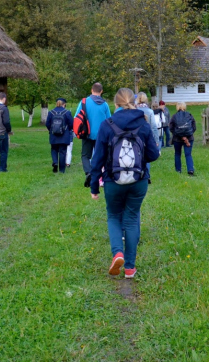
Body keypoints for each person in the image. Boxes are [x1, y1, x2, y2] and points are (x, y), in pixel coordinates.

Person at [89, 88, 160, 279]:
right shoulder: (143, 124)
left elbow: (97, 160)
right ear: (134, 103)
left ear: (116, 104)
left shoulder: (107, 124)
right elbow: (153, 155)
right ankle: (130, 268)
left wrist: (94, 187)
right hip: (138, 180)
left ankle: (117, 253)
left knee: (113, 216)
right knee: (132, 217)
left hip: (113, 180)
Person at [74, 82, 112, 187]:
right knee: (100, 156)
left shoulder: (84, 102)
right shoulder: (105, 104)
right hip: (101, 135)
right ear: (101, 91)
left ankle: (88, 172)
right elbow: (109, 120)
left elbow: (76, 117)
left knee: (85, 155)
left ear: (91, 90)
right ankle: (101, 177)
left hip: (87, 133)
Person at [45, 97, 74, 173]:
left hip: (53, 135)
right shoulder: (67, 112)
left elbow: (47, 123)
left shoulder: (51, 112)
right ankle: (61, 170)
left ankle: (55, 162)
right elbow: (71, 124)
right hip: (64, 136)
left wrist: (51, 130)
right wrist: (68, 130)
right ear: (64, 104)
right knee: (62, 152)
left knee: (54, 150)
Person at [169, 101, 196, 176]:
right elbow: (194, 127)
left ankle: (178, 170)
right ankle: (190, 169)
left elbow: (171, 127)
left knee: (177, 154)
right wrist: (188, 135)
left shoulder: (174, 116)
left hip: (177, 139)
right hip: (189, 138)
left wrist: (178, 134)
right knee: (188, 154)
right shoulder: (189, 115)